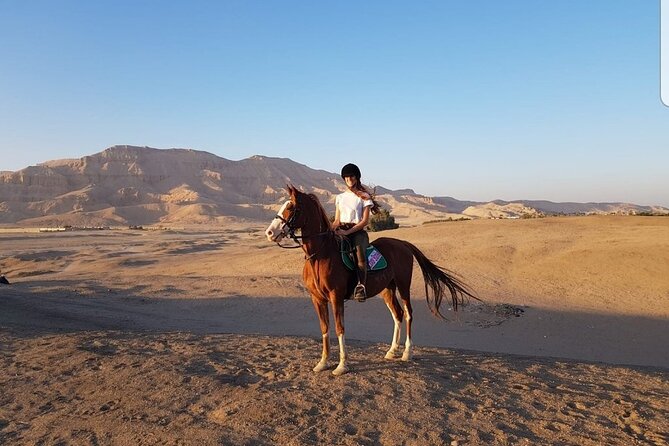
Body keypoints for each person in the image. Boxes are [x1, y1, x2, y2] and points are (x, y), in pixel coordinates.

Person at [332, 163, 380, 302]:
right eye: (346, 177)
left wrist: (348, 233)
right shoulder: (339, 198)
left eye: (351, 176)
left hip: (357, 232)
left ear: (357, 177)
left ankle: (361, 286)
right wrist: (331, 230)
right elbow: (336, 220)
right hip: (341, 230)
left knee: (359, 255)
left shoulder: (364, 197)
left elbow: (364, 221)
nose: (349, 179)